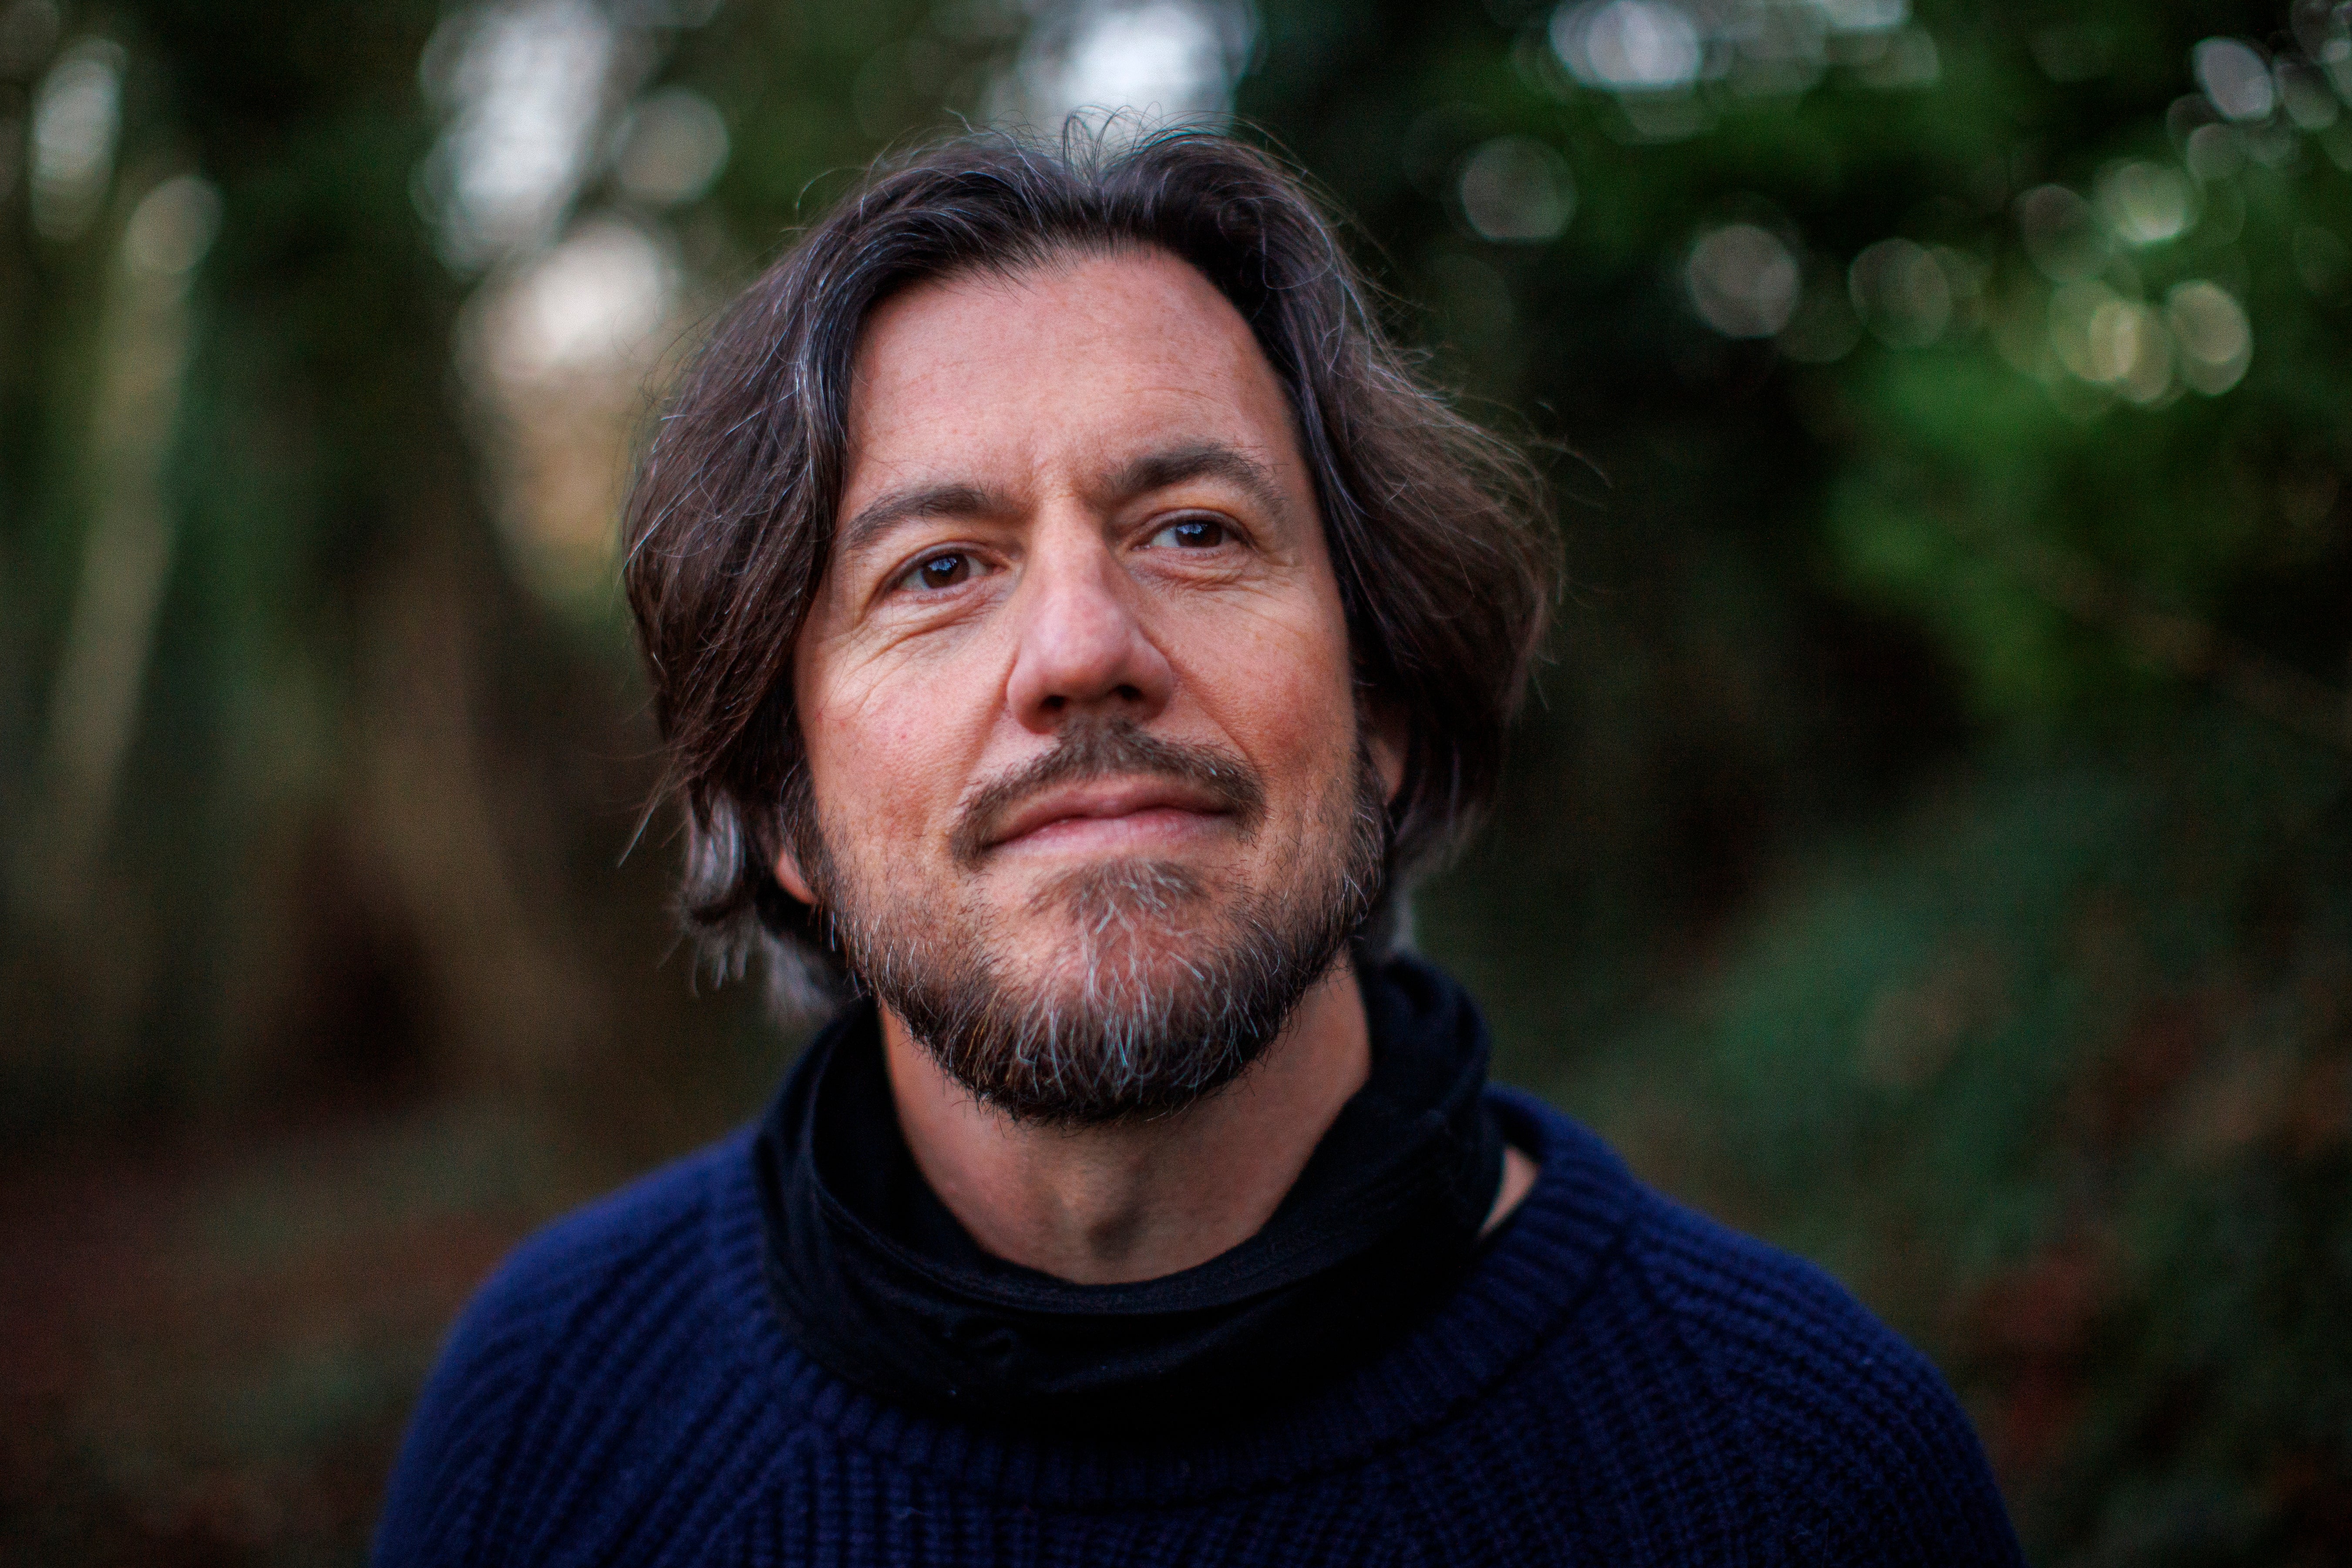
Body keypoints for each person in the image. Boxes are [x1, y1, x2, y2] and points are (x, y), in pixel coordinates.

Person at [376, 128, 2023, 1566]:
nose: (1084, 646)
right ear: (784, 804)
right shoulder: (551, 1408)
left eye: (1193, 530)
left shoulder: (1798, 1472)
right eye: (940, 569)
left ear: (1378, 703)